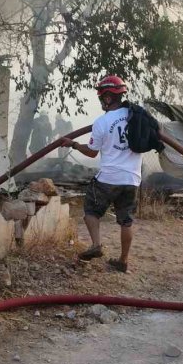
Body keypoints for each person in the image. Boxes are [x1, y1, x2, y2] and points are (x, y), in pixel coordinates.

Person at [60, 75, 141, 273]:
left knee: (90, 210)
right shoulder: (136, 117)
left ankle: (96, 245)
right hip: (132, 178)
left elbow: (92, 151)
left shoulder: (102, 122)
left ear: (107, 97)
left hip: (109, 178)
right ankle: (123, 261)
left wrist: (74, 144)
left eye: (101, 97)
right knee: (126, 220)